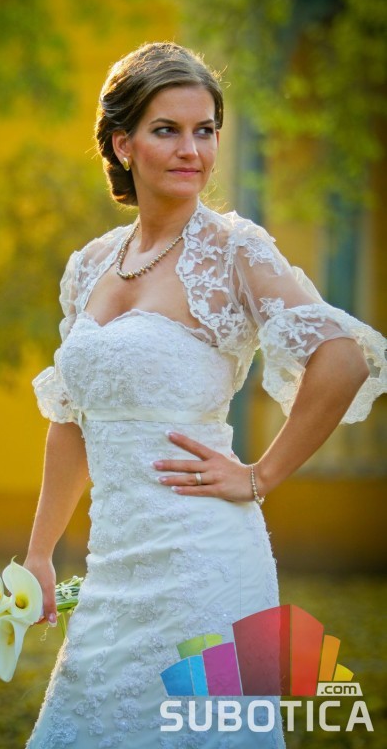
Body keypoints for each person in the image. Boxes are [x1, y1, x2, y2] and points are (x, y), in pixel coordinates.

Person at [23, 42, 386, 748]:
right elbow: (71, 421)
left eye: (205, 130)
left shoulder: (233, 250)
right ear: (122, 143)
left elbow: (340, 359)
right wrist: (41, 552)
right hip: (113, 566)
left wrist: (259, 475)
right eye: (167, 130)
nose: (191, 150)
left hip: (204, 562)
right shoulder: (90, 266)